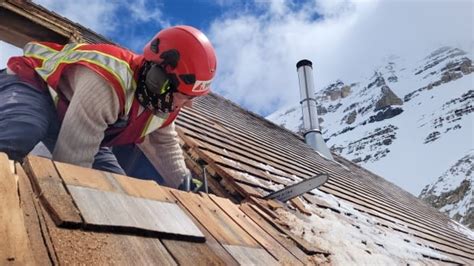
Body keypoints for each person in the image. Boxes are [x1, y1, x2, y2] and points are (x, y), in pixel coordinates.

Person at [0, 25, 217, 190]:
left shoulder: (163, 102)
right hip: (35, 85)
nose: (189, 105)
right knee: (20, 134)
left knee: (116, 186)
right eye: (186, 96)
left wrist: (184, 181)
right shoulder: (108, 82)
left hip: (78, 119)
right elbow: (71, 164)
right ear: (157, 79)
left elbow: (166, 144)